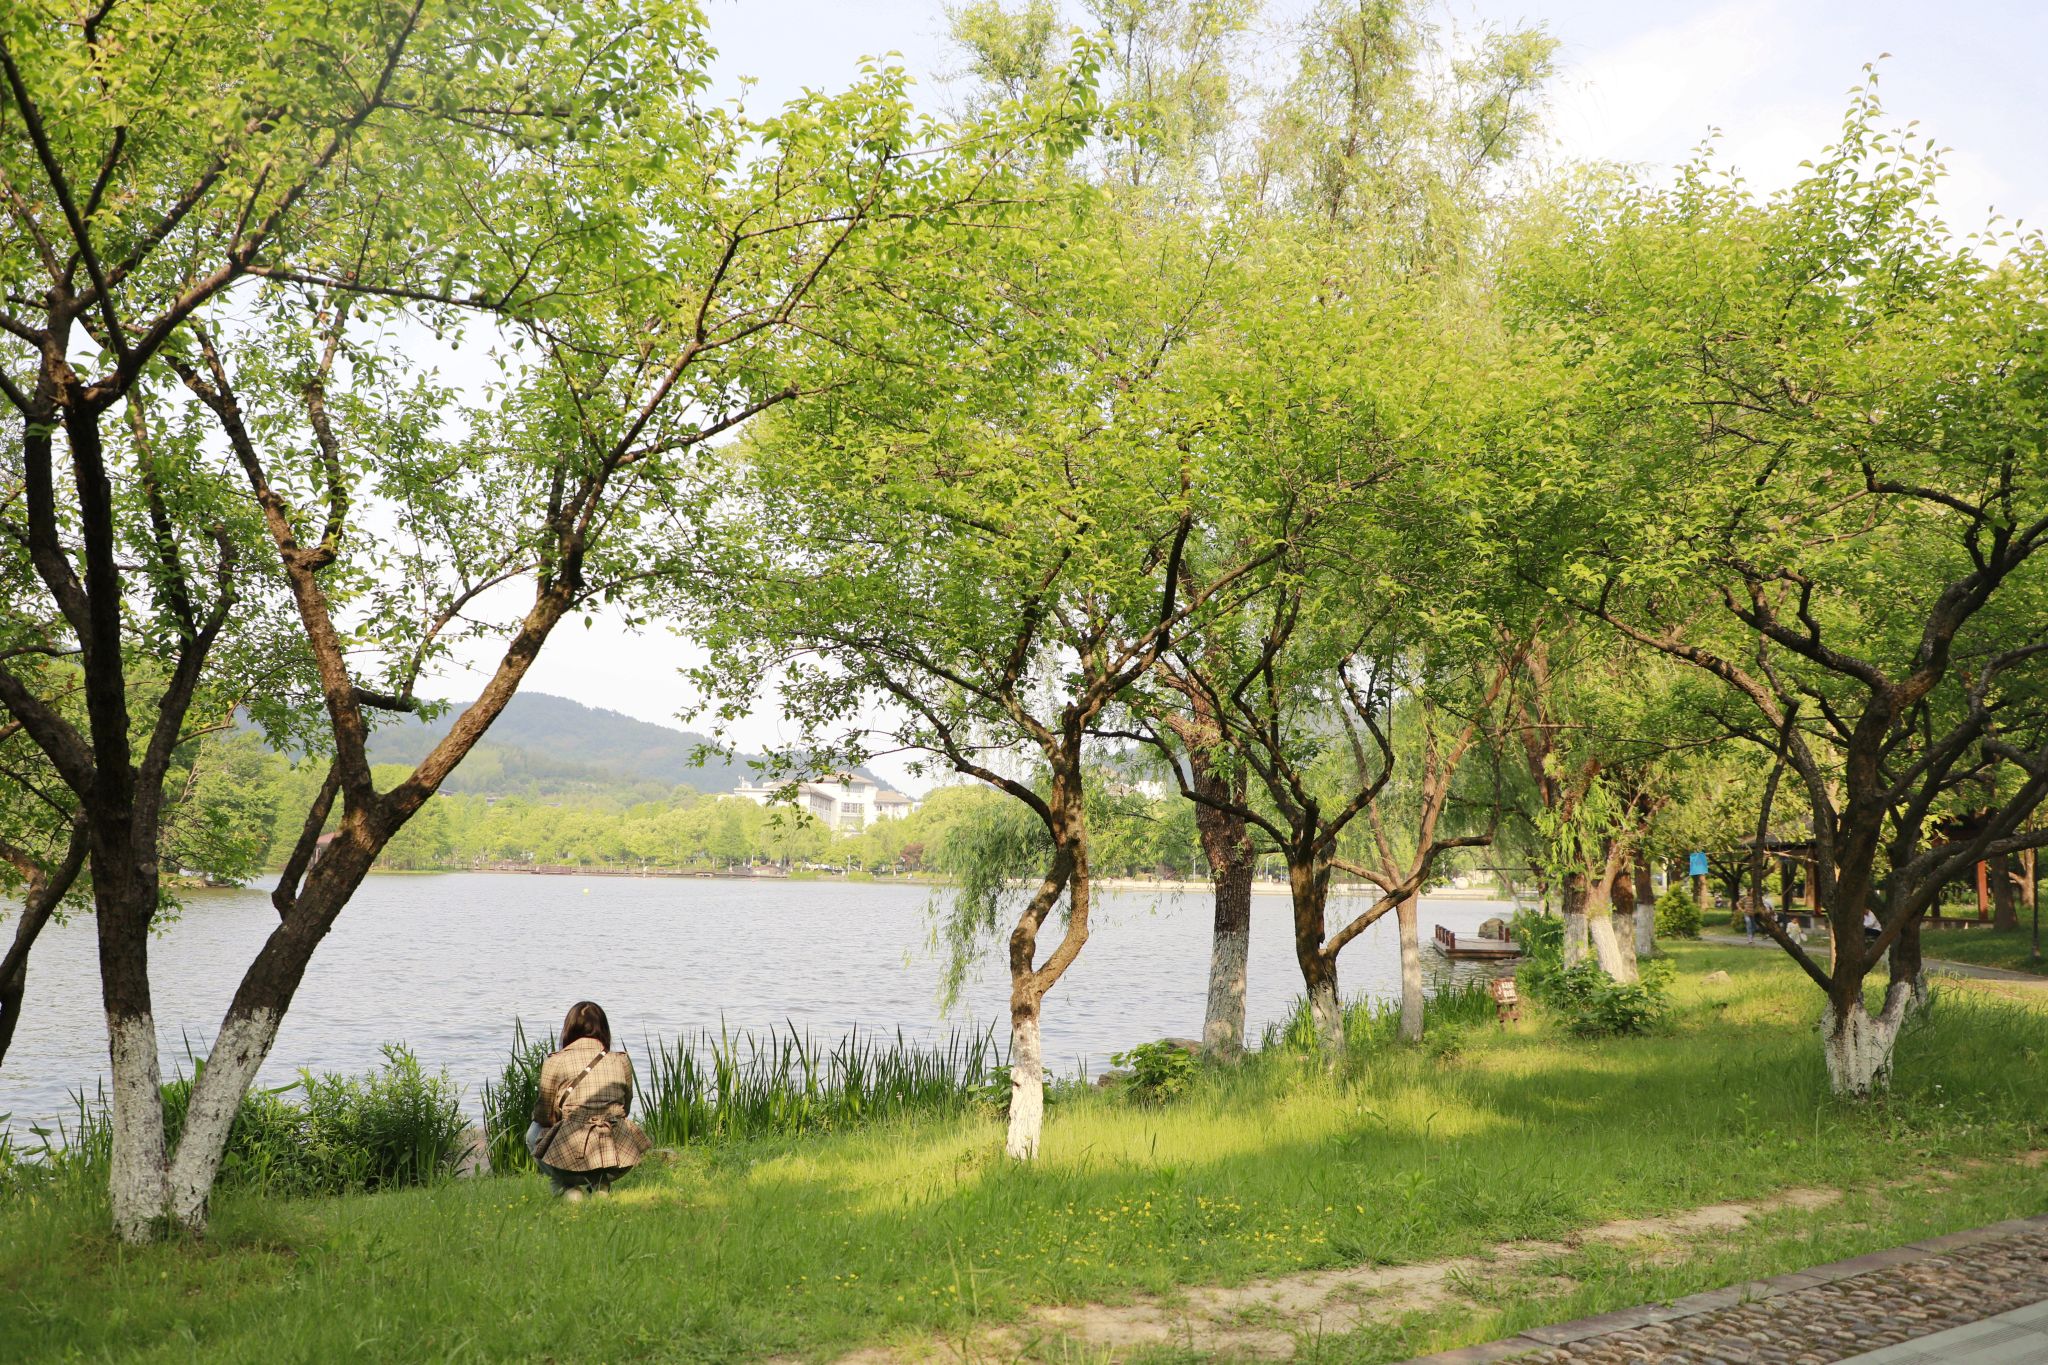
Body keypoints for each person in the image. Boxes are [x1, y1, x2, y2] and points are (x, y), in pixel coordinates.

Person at [527, 1001, 651, 1200]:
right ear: (604, 1029)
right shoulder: (621, 1060)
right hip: (617, 1157)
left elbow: (543, 1113)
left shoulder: (554, 1061)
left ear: (569, 1029)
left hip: (569, 1157)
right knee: (613, 1123)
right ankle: (601, 1184)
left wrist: (566, 1121)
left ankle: (567, 1188)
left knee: (534, 1131)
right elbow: (625, 1106)